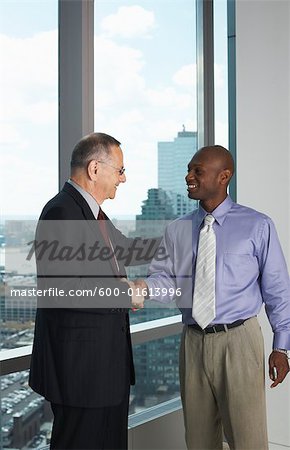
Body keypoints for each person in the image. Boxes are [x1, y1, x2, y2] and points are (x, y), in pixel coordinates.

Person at [134, 145, 290, 450]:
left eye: (197, 171)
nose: (188, 176)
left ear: (224, 176)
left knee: (248, 441)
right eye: (189, 169)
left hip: (240, 341)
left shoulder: (257, 225)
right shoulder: (177, 230)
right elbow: (167, 282)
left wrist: (281, 348)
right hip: (192, 342)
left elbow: (277, 290)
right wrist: (144, 288)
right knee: (199, 440)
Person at [29, 132, 156, 449]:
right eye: (120, 170)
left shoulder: (93, 214)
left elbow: (125, 251)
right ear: (95, 169)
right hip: (81, 372)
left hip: (104, 368)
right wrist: (127, 294)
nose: (123, 179)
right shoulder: (61, 212)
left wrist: (183, 242)